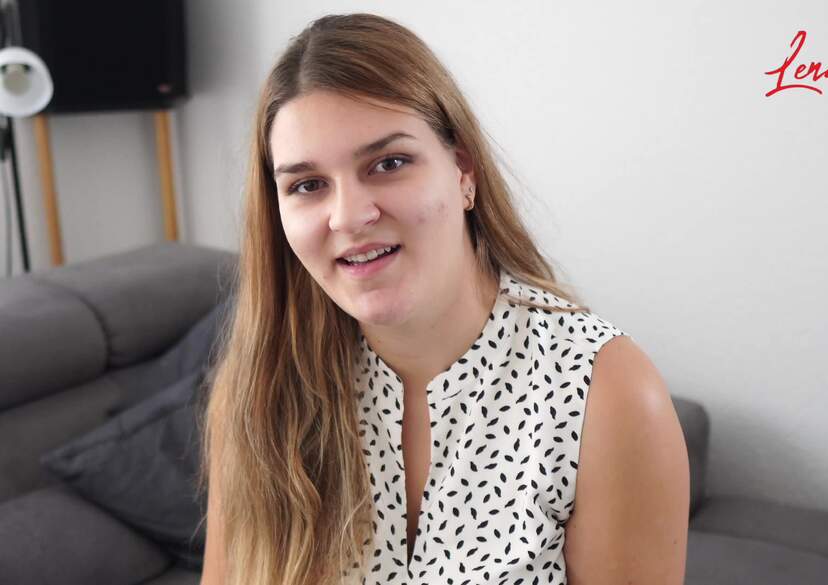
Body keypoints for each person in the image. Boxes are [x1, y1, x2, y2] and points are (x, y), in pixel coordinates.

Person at [196, 12, 689, 585]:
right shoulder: (257, 394)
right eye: (308, 185)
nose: (349, 216)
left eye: (388, 164)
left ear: (463, 172)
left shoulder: (606, 393)